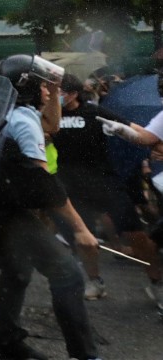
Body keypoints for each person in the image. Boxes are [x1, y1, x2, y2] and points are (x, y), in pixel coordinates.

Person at [0, 55, 100, 360]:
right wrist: (81, 230)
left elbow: (51, 124)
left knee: (18, 270)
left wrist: (54, 82)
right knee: (67, 272)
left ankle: (4, 337)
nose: (50, 93)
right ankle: (84, 354)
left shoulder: (5, 109)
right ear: (26, 87)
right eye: (44, 87)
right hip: (6, 213)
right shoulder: (22, 120)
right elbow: (43, 185)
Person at [53, 72, 162, 303]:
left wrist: (125, 130)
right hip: (71, 184)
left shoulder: (94, 112)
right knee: (84, 237)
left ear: (73, 94)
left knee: (136, 234)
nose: (55, 96)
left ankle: (157, 282)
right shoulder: (50, 114)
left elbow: (138, 132)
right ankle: (94, 281)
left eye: (60, 92)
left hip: (105, 182)